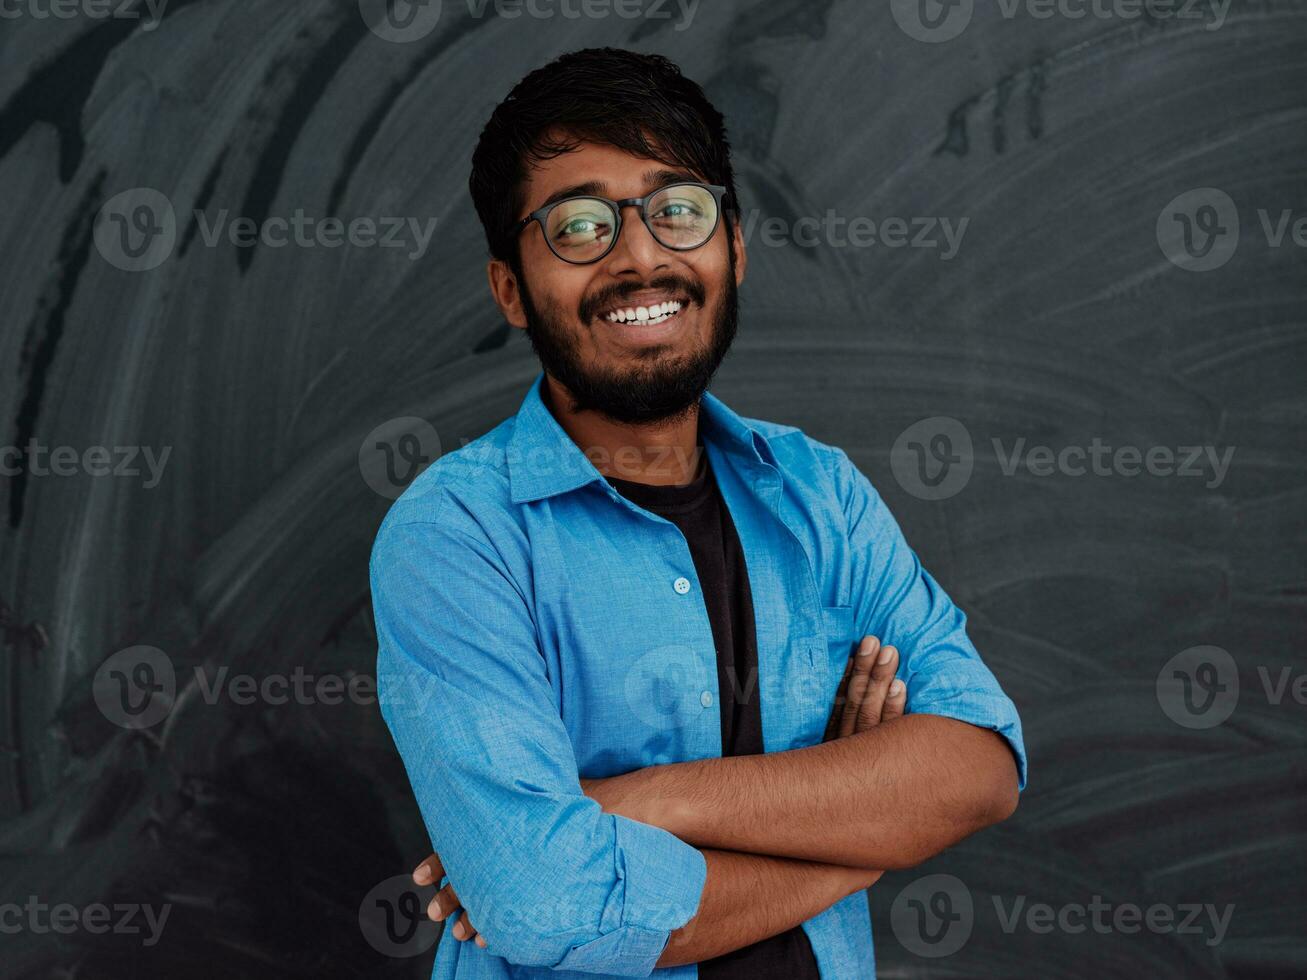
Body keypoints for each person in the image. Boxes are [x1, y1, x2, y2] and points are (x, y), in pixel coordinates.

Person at [370, 46, 1026, 979]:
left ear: (734, 249)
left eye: (678, 211)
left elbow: (978, 769)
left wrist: (641, 800)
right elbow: (551, 902)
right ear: (510, 289)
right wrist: (865, 835)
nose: (641, 257)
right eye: (579, 225)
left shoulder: (820, 494)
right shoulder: (454, 538)